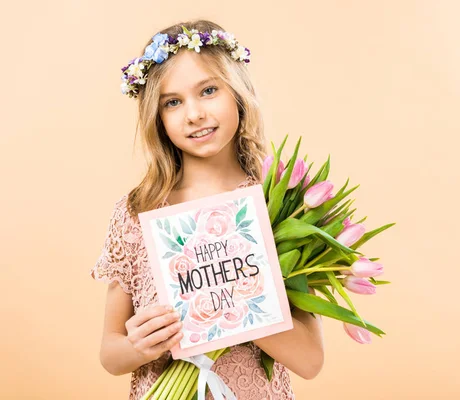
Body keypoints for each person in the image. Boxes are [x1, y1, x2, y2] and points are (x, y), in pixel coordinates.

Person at [90, 19, 324, 400]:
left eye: (209, 90)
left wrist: (234, 303)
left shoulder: (276, 207)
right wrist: (140, 345)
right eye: (173, 102)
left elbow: (310, 361)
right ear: (158, 117)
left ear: (238, 93)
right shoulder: (136, 213)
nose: (194, 114)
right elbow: (110, 355)